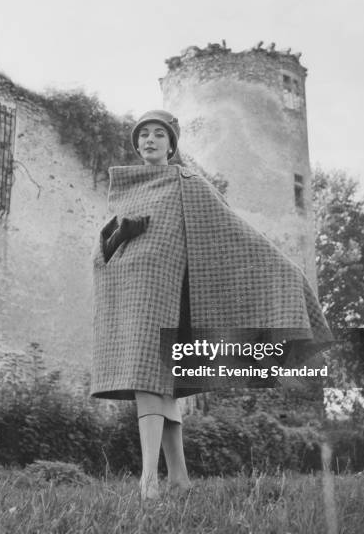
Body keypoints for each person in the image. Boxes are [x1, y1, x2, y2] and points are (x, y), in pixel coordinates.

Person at [91, 110, 332, 500]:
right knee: (161, 386)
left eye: (159, 135)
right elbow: (103, 250)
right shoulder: (127, 187)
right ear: (137, 145)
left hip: (173, 296)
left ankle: (149, 479)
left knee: (152, 381)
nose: (150, 140)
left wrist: (284, 269)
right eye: (144, 136)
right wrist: (122, 233)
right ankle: (179, 479)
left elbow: (230, 229)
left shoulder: (187, 182)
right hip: (134, 294)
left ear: (172, 145)